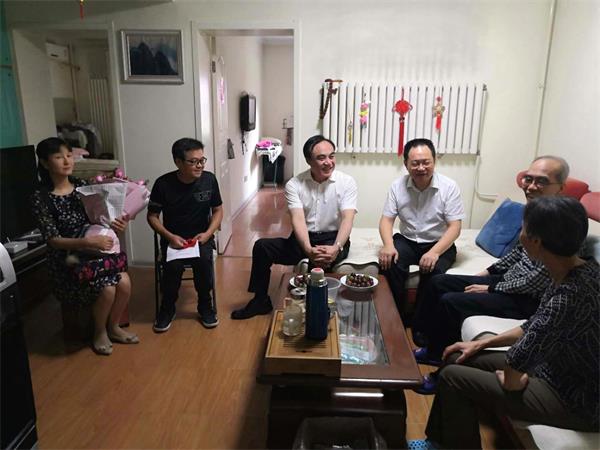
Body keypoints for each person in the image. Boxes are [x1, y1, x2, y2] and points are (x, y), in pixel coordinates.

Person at [419, 196, 599, 449]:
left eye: (523, 229)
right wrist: (482, 344)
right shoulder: (580, 270)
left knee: (452, 377)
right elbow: (534, 325)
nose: (520, 235)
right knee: (456, 357)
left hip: (577, 399)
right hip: (555, 369)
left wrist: (512, 379)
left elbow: (518, 364)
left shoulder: (569, 296)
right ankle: (438, 442)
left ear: (535, 242)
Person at [413, 156, 569, 373]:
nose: (531, 186)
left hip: (526, 299)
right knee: (438, 282)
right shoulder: (533, 211)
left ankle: (440, 360)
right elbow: (516, 254)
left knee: (451, 301)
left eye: (541, 181)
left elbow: (537, 281)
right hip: (509, 283)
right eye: (528, 179)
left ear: (561, 187)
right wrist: (486, 273)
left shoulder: (562, 223)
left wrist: (492, 288)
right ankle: (426, 340)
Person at [231, 135, 358, 320]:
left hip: (333, 239)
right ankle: (260, 301)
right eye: (321, 158)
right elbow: (297, 219)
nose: (328, 162)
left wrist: (336, 247)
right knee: (262, 247)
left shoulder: (347, 182)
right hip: (303, 238)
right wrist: (307, 249)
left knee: (318, 264)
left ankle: (318, 311)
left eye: (332, 156)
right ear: (308, 161)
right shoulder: (295, 184)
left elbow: (348, 218)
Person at [31, 137, 136, 356]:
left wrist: (117, 223)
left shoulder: (83, 187)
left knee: (125, 283)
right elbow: (53, 240)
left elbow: (101, 218)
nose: (66, 161)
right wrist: (87, 242)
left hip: (94, 252)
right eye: (59, 157)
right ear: (45, 163)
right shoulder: (41, 198)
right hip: (67, 259)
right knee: (107, 288)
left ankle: (114, 327)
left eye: (69, 155)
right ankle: (100, 332)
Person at [378, 138, 465, 322]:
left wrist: (434, 252)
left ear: (434, 161)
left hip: (439, 243)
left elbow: (455, 227)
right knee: (388, 263)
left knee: (434, 275)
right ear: (406, 164)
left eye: (426, 162)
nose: (421, 168)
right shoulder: (397, 186)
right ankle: (394, 319)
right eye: (415, 163)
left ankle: (420, 324)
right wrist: (388, 245)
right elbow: (386, 220)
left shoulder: (449, 187)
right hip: (408, 240)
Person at [148, 138, 223, 332]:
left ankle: (205, 305)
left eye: (202, 160)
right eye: (193, 161)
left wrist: (208, 233)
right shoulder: (163, 184)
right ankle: (167, 308)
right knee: (173, 267)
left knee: (203, 262)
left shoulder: (209, 180)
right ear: (178, 162)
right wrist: (169, 236)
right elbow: (152, 216)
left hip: (201, 238)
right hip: (173, 239)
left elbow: (218, 210)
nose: (200, 165)